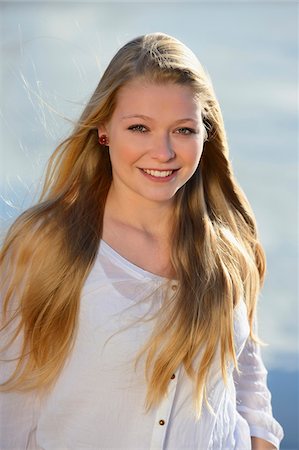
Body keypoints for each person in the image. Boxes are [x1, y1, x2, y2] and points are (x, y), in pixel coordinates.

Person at [0, 32, 283, 449]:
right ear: (104, 130)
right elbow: (11, 410)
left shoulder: (229, 247)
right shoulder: (44, 247)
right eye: (139, 128)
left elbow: (247, 386)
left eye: (183, 130)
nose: (163, 151)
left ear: (205, 135)